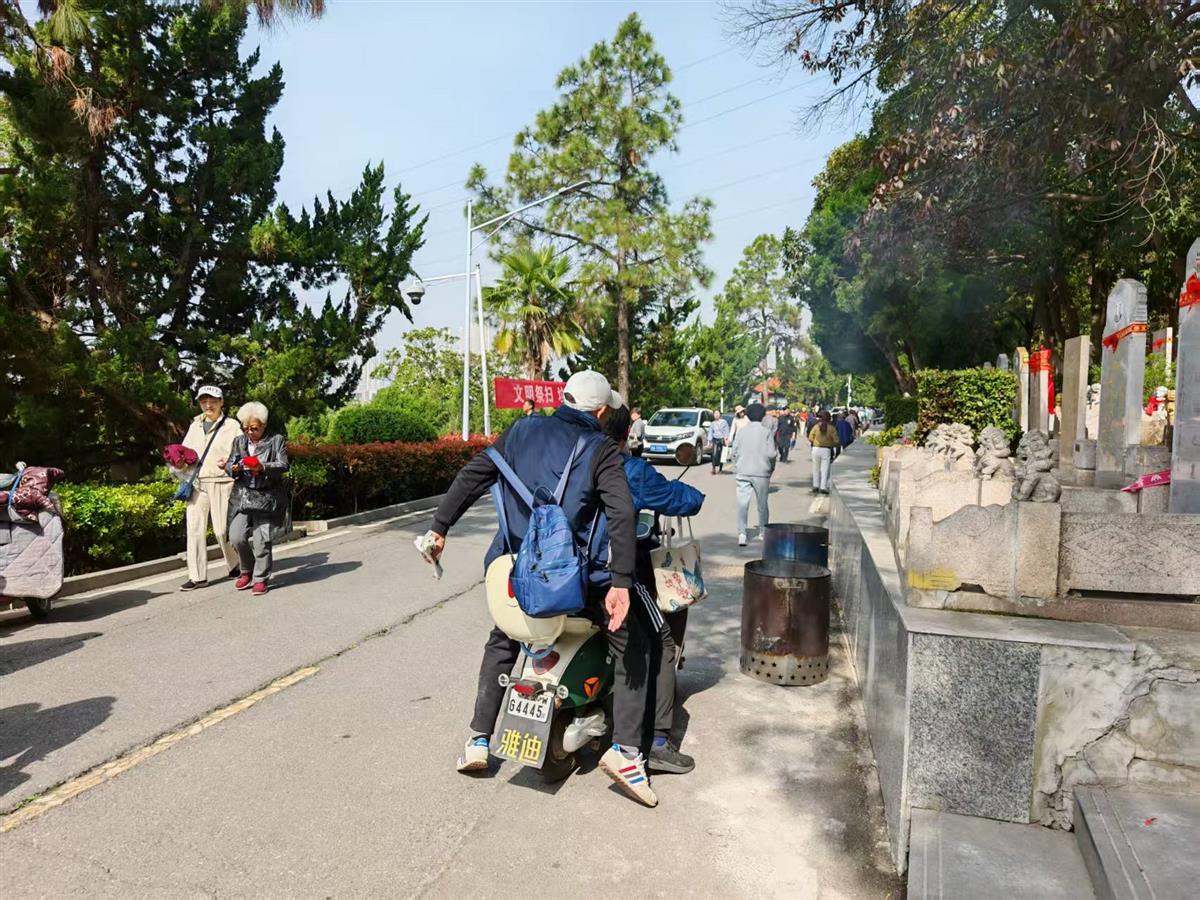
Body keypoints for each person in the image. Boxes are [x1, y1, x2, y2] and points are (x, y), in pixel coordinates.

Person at [425, 371, 658, 806]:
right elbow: (622, 514)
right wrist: (621, 583)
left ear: (564, 399)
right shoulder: (600, 448)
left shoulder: (521, 430)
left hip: (519, 576)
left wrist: (440, 527)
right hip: (576, 584)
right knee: (632, 642)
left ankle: (479, 739)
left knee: (503, 637)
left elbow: (474, 474)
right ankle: (627, 754)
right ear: (601, 411)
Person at [600, 404, 703, 775]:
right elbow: (683, 499)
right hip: (615, 576)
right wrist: (693, 493)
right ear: (626, 433)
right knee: (662, 641)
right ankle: (658, 742)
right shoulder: (630, 470)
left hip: (566, 574)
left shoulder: (572, 462)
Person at [179, 385, 242, 591]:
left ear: (221, 402)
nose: (208, 405)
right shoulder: (194, 426)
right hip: (197, 483)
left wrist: (231, 462)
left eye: (213, 401)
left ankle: (235, 563)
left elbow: (241, 452)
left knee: (221, 530)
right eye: (204, 401)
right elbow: (185, 452)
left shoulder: (232, 425)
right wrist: (180, 461)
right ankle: (197, 577)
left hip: (222, 482)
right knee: (194, 529)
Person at [225, 401, 289, 596]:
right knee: (236, 536)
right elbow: (230, 463)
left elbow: (283, 464)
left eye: (254, 428)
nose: (250, 432)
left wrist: (263, 467)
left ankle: (261, 578)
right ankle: (247, 568)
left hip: (266, 496)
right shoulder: (239, 441)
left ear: (264, 425)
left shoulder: (276, 440)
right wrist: (232, 468)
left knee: (262, 540)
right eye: (246, 428)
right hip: (242, 496)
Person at [730, 403, 776, 546]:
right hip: (761, 472)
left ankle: (742, 534)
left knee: (742, 504)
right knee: (762, 504)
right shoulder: (766, 432)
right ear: (762, 416)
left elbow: (734, 452)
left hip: (743, 471)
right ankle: (763, 531)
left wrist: (737, 465)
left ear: (748, 415)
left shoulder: (741, 431)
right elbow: (771, 454)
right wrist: (771, 468)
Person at [808, 410, 839, 494]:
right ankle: (823, 487)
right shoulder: (831, 428)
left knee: (815, 468)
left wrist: (815, 441)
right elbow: (836, 440)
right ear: (829, 418)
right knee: (825, 469)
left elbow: (810, 437)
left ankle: (815, 486)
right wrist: (831, 444)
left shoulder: (816, 426)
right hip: (826, 449)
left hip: (815, 449)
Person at [708, 409, 730, 474]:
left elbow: (726, 431)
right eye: (715, 413)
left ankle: (720, 469)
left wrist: (726, 439)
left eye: (717, 413)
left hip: (722, 439)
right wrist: (709, 441)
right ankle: (713, 468)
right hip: (715, 439)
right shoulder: (712, 423)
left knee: (722, 455)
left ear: (720, 414)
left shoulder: (724, 422)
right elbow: (710, 432)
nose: (716, 415)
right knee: (714, 454)